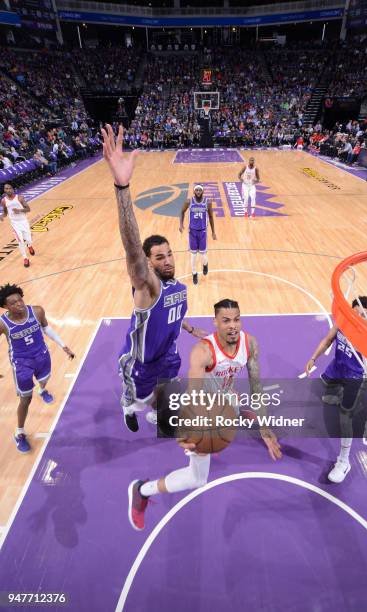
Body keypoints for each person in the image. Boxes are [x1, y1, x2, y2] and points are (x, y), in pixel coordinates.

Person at [128, 298, 282, 530]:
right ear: (215, 323)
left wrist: (265, 429)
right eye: (226, 320)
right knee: (197, 479)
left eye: (237, 319)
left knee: (234, 402)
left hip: (224, 398)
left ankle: (164, 416)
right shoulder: (203, 352)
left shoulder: (250, 344)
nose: (233, 325)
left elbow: (256, 388)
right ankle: (140, 490)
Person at [101, 124, 207, 431]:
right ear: (148, 263)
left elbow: (171, 314)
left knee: (166, 397)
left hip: (168, 356)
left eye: (170, 253)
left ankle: (154, 411)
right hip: (141, 364)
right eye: (159, 257)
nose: (169, 260)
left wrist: (187, 327)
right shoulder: (148, 285)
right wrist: (122, 188)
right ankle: (128, 405)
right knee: (139, 399)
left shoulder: (179, 286)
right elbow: (133, 248)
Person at [305, 296, 367, 483]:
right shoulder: (343, 324)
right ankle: (336, 394)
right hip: (336, 369)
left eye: (366, 315)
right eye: (358, 313)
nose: (361, 317)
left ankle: (344, 461)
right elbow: (328, 339)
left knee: (345, 417)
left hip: (354, 378)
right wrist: (313, 358)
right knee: (320, 388)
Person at [0, 283, 75, 453]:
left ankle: (42, 390)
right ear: (5, 306)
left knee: (44, 380)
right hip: (21, 363)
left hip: (41, 355)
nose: (19, 304)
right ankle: (19, 432)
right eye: (13, 303)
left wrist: (64, 346)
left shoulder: (37, 311)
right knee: (25, 400)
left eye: (20, 300)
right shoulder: (3, 324)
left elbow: (47, 329)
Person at [179, 184, 217, 285]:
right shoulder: (189, 201)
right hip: (192, 232)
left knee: (203, 255)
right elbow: (182, 212)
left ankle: (205, 264)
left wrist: (213, 232)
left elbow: (211, 216)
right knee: (193, 255)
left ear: (203, 191)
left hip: (203, 231)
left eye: (200, 190)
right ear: (194, 191)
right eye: (197, 190)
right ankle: (194, 274)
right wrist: (181, 224)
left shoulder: (207, 202)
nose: (198, 192)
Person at [0, 183, 35, 268]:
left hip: (23, 221)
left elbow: (28, 209)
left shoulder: (20, 198)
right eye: (6, 188)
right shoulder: (3, 201)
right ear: (4, 190)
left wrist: (19, 210)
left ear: (12, 189)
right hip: (14, 223)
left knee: (29, 239)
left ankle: (29, 245)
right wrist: (2, 216)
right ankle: (25, 258)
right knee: (20, 242)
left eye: (9, 188)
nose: (8, 190)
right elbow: (5, 212)